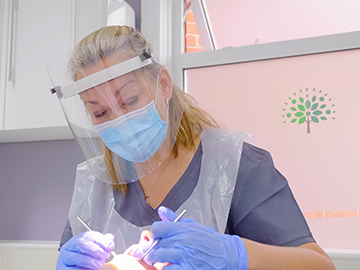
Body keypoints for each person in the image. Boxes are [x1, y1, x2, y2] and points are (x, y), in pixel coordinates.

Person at [48, 25, 335, 269]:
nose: (119, 120)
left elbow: (320, 266)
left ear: (163, 85)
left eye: (130, 100)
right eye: (100, 113)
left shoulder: (234, 166)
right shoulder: (95, 185)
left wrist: (235, 254)